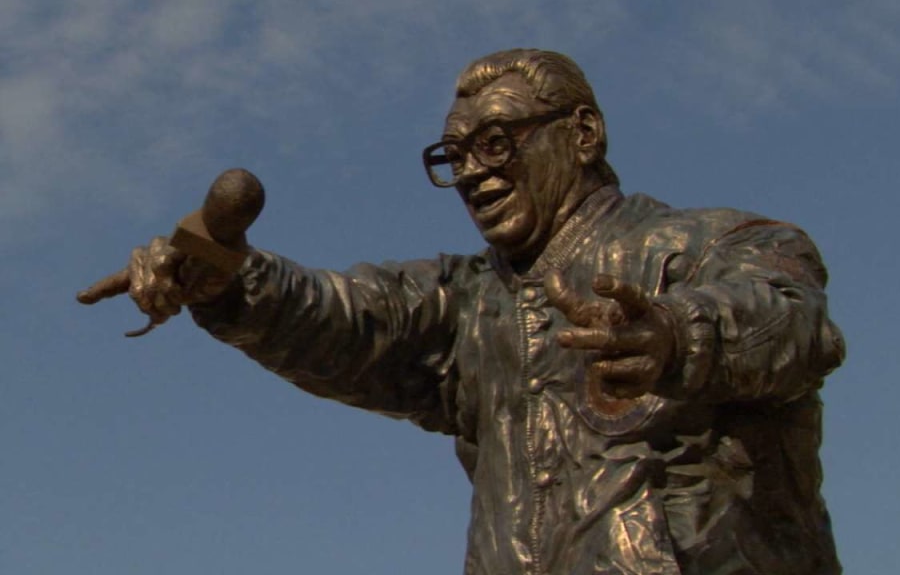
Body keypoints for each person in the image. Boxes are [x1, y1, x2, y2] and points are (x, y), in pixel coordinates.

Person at [81, 49, 846, 575]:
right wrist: (226, 278)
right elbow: (348, 319)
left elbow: (794, 324)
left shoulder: (718, 244)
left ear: (583, 134)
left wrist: (680, 335)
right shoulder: (471, 304)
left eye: (496, 143)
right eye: (456, 156)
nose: (475, 172)